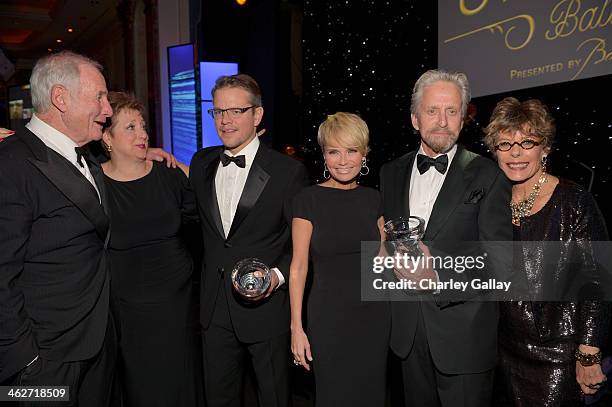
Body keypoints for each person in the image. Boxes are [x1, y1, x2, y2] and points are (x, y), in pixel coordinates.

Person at [379, 69, 513, 407]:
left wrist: (438, 276)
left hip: (464, 339)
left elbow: (502, 265)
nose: (442, 121)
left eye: (452, 111)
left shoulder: (489, 174)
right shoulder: (390, 173)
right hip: (406, 335)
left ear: (463, 118)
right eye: (432, 111)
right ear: (414, 118)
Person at [0, 51, 116, 406]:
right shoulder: (11, 164)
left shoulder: (88, 156)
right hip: (43, 363)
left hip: (97, 350)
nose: (108, 109)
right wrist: (27, 362)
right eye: (99, 96)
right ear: (60, 98)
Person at [189, 74, 309, 407]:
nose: (225, 121)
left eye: (235, 111)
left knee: (273, 398)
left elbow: (301, 246)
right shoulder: (201, 163)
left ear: (257, 115)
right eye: (218, 112)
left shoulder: (288, 172)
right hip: (213, 310)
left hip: (265, 308)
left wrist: (276, 277)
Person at [483, 97, 610, 406]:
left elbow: (597, 279)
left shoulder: (573, 199)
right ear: (494, 151)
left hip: (560, 355)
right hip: (501, 352)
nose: (515, 153)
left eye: (527, 142)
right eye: (504, 144)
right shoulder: (489, 202)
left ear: (545, 148)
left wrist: (588, 352)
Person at [100, 91, 202, 406]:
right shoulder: (93, 184)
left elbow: (209, 201)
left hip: (180, 303)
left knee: (185, 383)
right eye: (130, 127)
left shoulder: (169, 173)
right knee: (142, 387)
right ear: (107, 137)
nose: (143, 134)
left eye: (143, 126)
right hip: (128, 310)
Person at [289, 112, 390, 406]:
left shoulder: (374, 199)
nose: (343, 160)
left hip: (374, 317)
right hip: (328, 319)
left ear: (364, 154)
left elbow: (385, 259)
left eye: (351, 150)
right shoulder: (307, 199)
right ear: (324, 155)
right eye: (334, 151)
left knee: (371, 394)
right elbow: (298, 266)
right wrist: (297, 327)